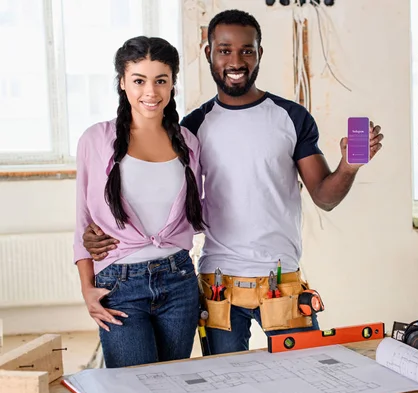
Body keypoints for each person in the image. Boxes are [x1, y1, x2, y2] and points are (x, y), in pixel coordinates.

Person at [81, 9, 384, 356]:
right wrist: (101, 232)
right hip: (218, 284)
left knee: (305, 373)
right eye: (225, 50)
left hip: (281, 280)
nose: (236, 60)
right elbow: (159, 195)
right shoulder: (192, 129)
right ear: (209, 53)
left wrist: (349, 166)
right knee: (225, 384)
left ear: (259, 54)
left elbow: (325, 197)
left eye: (247, 50)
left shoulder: (291, 117)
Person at [73, 36, 205, 368]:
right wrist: (87, 289)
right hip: (119, 285)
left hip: (179, 281)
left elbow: (201, 210)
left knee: (174, 384)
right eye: (139, 80)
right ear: (122, 82)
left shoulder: (188, 142)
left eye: (161, 80)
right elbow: (82, 221)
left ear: (173, 83)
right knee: (134, 387)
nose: (151, 91)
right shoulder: (96, 139)